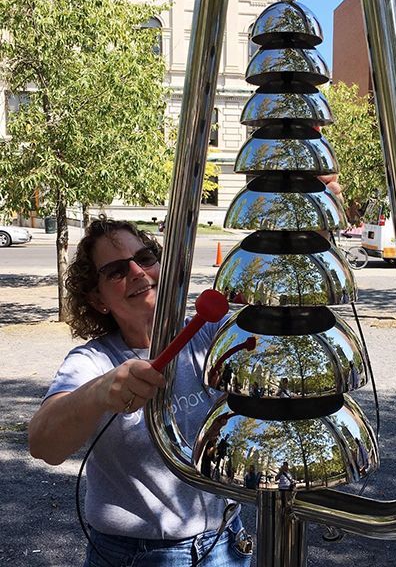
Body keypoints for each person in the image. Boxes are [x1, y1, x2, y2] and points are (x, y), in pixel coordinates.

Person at [27, 217, 251, 567]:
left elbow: (280, 333)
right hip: (134, 556)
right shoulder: (93, 361)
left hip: (226, 543)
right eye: (116, 271)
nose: (136, 271)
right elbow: (42, 444)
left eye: (145, 257)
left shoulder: (210, 333)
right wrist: (100, 391)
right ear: (97, 298)